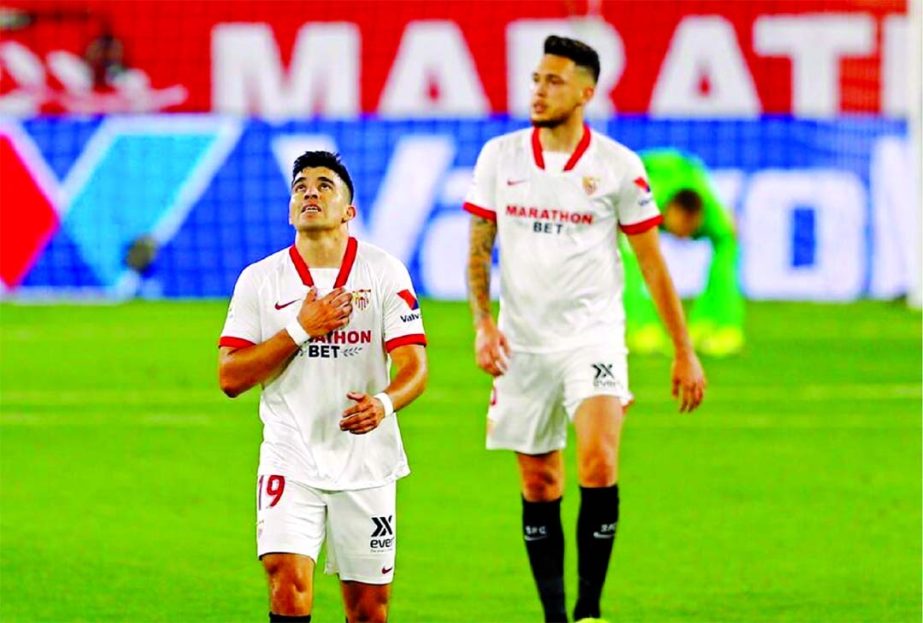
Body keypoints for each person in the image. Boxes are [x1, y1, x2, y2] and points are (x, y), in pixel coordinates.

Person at [464, 36, 706, 623]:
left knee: (598, 463)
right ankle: (554, 617)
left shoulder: (618, 166)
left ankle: (589, 611)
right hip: (522, 343)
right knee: (540, 481)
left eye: (552, 81)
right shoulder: (500, 156)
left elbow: (651, 264)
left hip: (593, 338)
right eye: (536, 79)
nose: (538, 91)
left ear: (586, 92)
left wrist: (684, 351)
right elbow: (478, 246)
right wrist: (482, 322)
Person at [217, 151, 428, 623]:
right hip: (290, 458)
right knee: (286, 581)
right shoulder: (259, 279)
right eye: (300, 187)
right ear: (291, 209)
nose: (309, 192)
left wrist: (384, 403)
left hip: (367, 464)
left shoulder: (384, 272)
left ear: (349, 211)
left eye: (324, 185)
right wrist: (300, 329)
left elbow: (415, 366)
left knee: (369, 608)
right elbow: (230, 377)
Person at [621, 148, 744, 357]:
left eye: (691, 227)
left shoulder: (711, 211)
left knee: (727, 248)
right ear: (670, 213)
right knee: (627, 257)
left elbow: (729, 231)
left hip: (689, 171)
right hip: (647, 170)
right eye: (681, 226)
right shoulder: (648, 201)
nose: (684, 235)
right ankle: (640, 326)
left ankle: (719, 326)